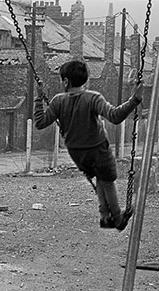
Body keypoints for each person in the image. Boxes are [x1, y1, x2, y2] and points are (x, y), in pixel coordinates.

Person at [33, 60, 144, 231]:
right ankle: (117, 216)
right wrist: (134, 99)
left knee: (100, 178)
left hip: (77, 153)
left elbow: (40, 122)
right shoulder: (93, 98)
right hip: (98, 149)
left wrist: (39, 97)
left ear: (65, 81)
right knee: (107, 180)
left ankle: (104, 216)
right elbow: (115, 116)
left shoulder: (57, 101)